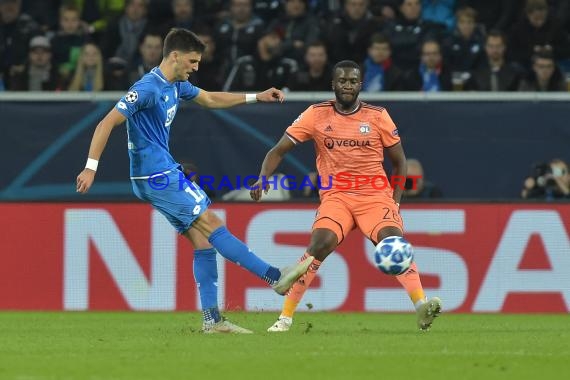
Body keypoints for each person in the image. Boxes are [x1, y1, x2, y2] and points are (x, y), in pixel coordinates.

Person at [75, 28, 313, 334]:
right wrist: (90, 167)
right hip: (157, 175)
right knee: (212, 223)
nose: (196, 67)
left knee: (202, 241)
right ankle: (274, 277)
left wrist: (258, 96)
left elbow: (211, 98)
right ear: (175, 56)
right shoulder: (146, 88)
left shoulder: (177, 84)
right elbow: (107, 122)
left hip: (156, 174)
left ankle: (212, 320)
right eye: (192, 60)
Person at [250, 60, 442, 332]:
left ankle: (421, 306)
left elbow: (400, 163)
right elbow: (278, 150)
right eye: (342, 81)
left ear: (360, 85)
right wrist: (262, 176)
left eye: (353, 81)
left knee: (393, 243)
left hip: (374, 197)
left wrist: (395, 202)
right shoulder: (316, 115)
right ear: (333, 84)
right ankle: (285, 318)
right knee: (320, 245)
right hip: (336, 196)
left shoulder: (378, 116)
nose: (348, 86)